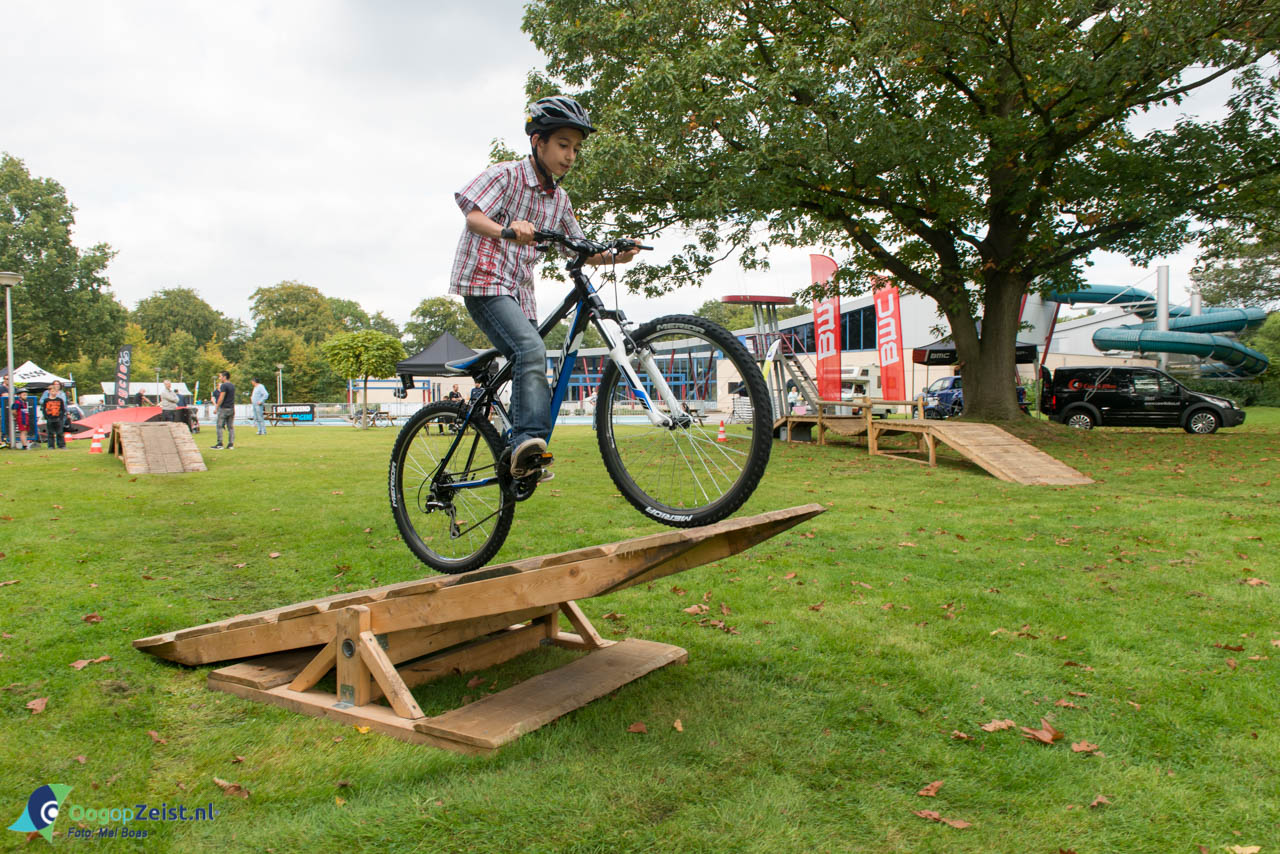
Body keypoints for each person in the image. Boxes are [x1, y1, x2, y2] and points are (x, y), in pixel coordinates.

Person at [449, 95, 639, 477]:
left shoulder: (560, 199)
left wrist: (616, 255)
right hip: (484, 282)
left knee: (533, 356)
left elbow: (580, 248)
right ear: (538, 142)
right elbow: (472, 216)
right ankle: (525, 443)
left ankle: (514, 444)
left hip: (519, 292)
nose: (570, 156)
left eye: (576, 149)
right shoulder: (506, 175)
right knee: (530, 348)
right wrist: (508, 229)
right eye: (563, 145)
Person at [39, 380, 69, 449]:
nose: (54, 393)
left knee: (60, 432)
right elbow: (44, 409)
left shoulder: (60, 400)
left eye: (55, 391)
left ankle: (61, 445)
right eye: (52, 391)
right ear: (49, 392)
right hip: (50, 418)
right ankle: (51, 446)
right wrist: (46, 417)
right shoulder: (46, 400)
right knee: (50, 433)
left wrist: (61, 416)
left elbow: (62, 408)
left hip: (58, 418)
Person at [212, 371, 236, 450]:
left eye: (220, 376)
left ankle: (220, 443)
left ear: (224, 377)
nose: (219, 378)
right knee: (230, 427)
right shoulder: (232, 385)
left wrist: (216, 407)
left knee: (219, 426)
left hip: (224, 408)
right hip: (231, 408)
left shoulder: (224, 386)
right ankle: (231, 444)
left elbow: (221, 397)